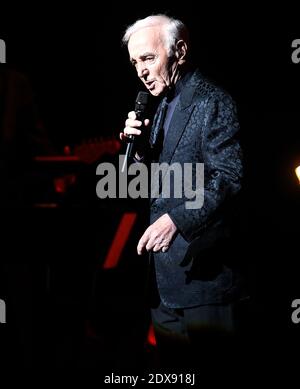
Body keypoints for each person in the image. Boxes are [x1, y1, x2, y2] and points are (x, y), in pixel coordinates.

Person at [119, 14, 250, 370]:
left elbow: (230, 177)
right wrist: (139, 149)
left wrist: (175, 220)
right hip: (164, 284)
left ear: (180, 51)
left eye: (148, 58)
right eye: (134, 63)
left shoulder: (212, 101)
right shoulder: (158, 106)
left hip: (206, 279)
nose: (141, 71)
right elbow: (140, 184)